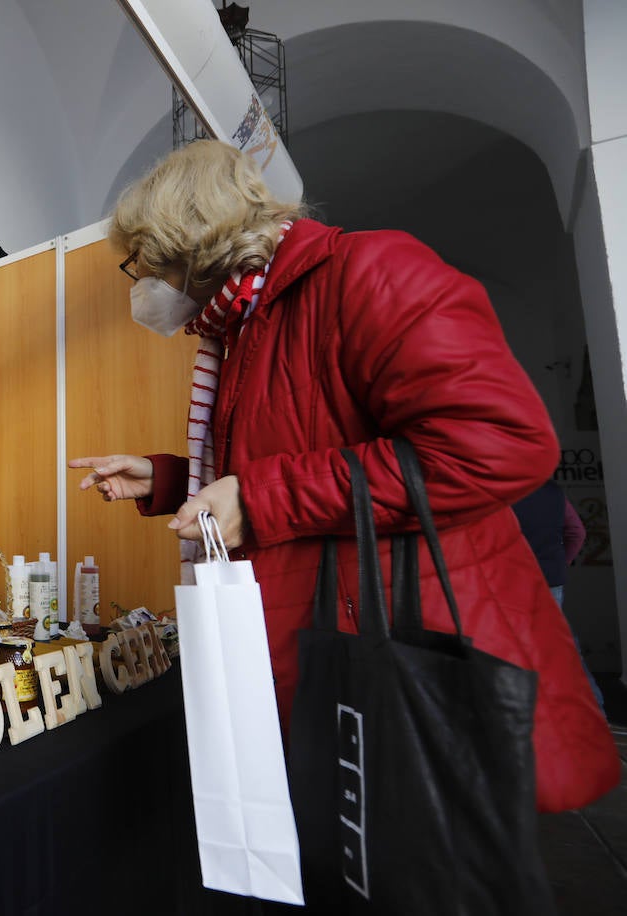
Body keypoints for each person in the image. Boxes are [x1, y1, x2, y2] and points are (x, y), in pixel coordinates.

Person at [68, 140, 618, 812]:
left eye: (144, 261)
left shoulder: (369, 271)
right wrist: (165, 479)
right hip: (337, 647)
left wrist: (257, 498)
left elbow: (497, 444)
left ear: (189, 240)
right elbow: (301, 453)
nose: (142, 282)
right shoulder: (247, 325)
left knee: (428, 870)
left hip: (409, 653)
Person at [513, 478, 604, 708]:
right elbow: (577, 532)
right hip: (550, 581)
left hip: (511, 581)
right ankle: (596, 712)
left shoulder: (497, 494)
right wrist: (559, 564)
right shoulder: (552, 491)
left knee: (512, 651)